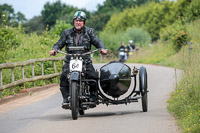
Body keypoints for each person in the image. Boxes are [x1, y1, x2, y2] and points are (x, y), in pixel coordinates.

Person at [50, 11, 107, 109]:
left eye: (80, 21)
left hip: (85, 60)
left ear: (84, 22)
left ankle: (93, 96)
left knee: (93, 76)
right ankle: (66, 99)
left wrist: (102, 48)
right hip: (70, 60)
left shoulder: (89, 32)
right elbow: (59, 43)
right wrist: (54, 49)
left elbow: (97, 41)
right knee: (64, 76)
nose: (78, 22)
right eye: (76, 20)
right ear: (73, 22)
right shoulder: (66, 33)